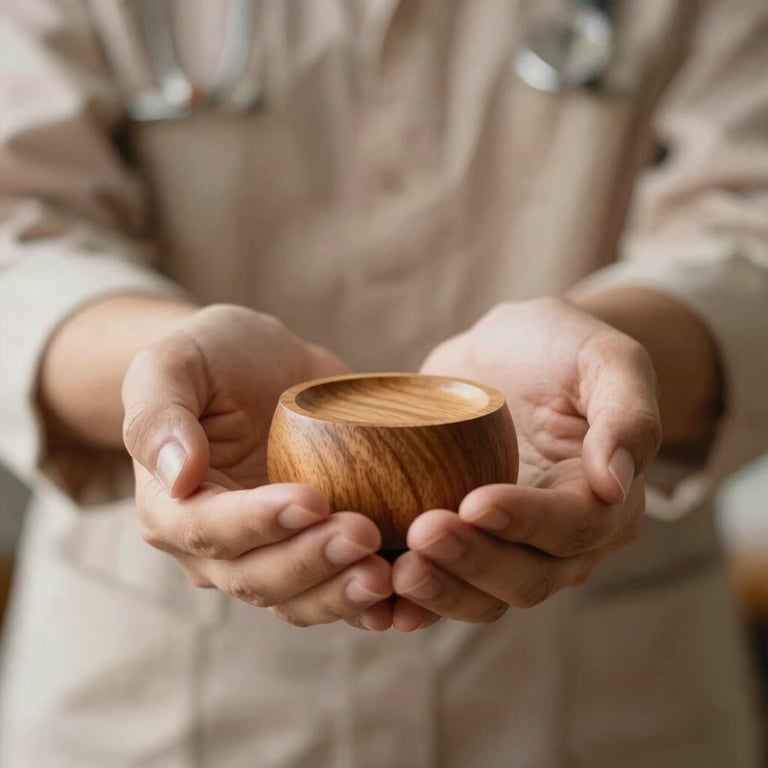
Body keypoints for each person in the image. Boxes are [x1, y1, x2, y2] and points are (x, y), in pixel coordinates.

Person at [0, 1, 767, 766]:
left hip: (607, 689)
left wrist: (616, 357)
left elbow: (750, 222)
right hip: (152, 689)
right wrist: (157, 367)